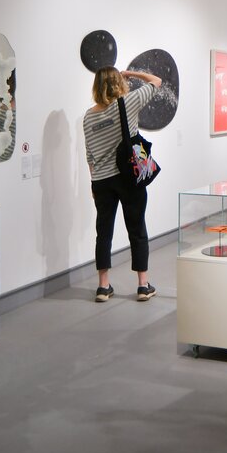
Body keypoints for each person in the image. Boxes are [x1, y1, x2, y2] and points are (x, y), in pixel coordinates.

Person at [83, 66, 163, 302]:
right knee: (137, 229)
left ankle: (103, 287)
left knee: (103, 232)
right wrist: (131, 74)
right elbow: (157, 80)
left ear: (96, 86)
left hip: (101, 181)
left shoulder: (88, 116)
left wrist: (93, 182)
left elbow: (90, 155)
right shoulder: (128, 102)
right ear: (118, 82)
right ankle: (143, 285)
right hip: (128, 177)